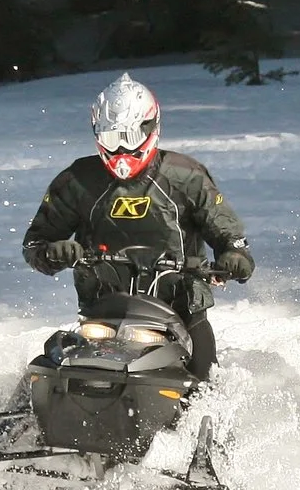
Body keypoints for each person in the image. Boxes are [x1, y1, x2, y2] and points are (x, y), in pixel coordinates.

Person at [22, 74, 253, 378]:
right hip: (103, 313)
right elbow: (35, 244)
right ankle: (15, 407)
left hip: (180, 310)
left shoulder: (187, 177)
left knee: (206, 377)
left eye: (129, 138)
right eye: (111, 138)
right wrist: (55, 252)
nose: (120, 150)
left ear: (151, 129)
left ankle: (216, 404)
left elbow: (227, 232)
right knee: (51, 368)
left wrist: (234, 256)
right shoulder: (77, 180)